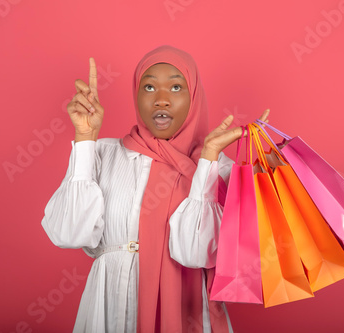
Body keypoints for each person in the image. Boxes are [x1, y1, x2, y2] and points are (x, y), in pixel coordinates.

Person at [41, 45, 269, 332]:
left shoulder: (217, 167)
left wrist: (208, 159)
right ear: (136, 95)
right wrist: (85, 137)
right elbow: (69, 233)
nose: (161, 100)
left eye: (176, 87)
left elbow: (194, 253)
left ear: (194, 96)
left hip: (187, 314)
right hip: (110, 306)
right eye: (149, 87)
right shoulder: (104, 153)